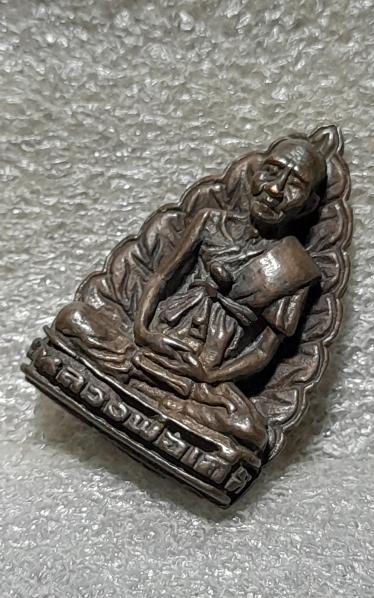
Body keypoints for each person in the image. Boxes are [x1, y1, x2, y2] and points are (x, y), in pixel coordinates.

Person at [55, 138, 327, 454]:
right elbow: (161, 277)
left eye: (294, 185)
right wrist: (143, 331)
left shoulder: (293, 269)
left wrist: (211, 375)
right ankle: (161, 403)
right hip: (153, 344)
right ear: (254, 174)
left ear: (309, 204)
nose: (275, 189)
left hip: (200, 377)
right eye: (271, 172)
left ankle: (141, 388)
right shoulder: (209, 221)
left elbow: (264, 351)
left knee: (250, 431)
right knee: (72, 318)